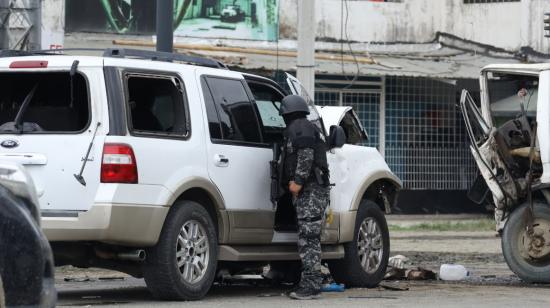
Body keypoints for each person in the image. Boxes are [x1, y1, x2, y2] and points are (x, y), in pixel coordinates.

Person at [279, 95, 331, 300]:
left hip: (311, 190)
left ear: (287, 112)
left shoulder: (300, 126)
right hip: (310, 190)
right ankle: (307, 281)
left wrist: (298, 182)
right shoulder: (303, 126)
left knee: (309, 238)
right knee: (308, 236)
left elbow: (306, 155)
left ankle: (311, 285)